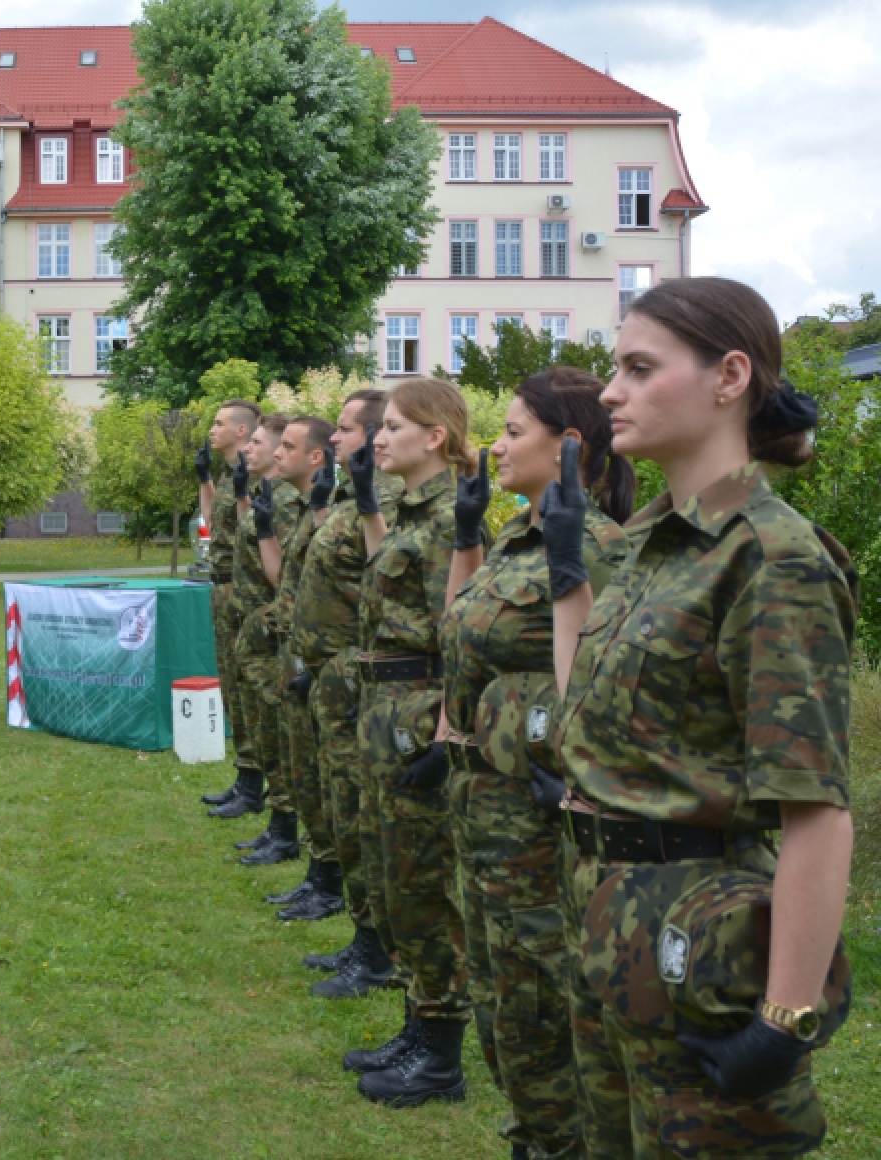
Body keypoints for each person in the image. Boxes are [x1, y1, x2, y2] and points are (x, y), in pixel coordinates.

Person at [548, 278, 855, 1156]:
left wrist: (784, 1015)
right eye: (615, 369)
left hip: (702, 953)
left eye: (639, 369)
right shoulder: (652, 544)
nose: (611, 394)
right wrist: (572, 573)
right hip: (611, 937)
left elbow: (817, 807)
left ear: (729, 376)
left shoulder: (769, 557)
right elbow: (585, 725)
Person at [439, 369, 631, 1158]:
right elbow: (455, 631)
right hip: (488, 814)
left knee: (546, 1009)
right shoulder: (518, 537)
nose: (496, 444)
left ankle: (559, 1143)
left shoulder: (596, 548)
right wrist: (466, 536)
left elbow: (602, 687)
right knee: (500, 1001)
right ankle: (534, 1137)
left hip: (543, 827)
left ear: (569, 445)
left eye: (515, 431)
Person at [344, 377, 479, 1108]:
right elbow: (381, 585)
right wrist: (370, 505)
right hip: (386, 712)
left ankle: (440, 1054)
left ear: (434, 436)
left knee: (425, 893)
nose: (379, 438)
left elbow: (463, 637)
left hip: (419, 714)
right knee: (398, 887)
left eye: (393, 427)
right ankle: (418, 1027)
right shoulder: (410, 514)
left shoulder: (452, 521)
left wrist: (449, 732)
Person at [289, 390, 406, 997]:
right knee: (343, 810)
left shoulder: (384, 504)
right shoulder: (346, 498)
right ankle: (365, 940)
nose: (334, 439)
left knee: (361, 819)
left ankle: (378, 950)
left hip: (358, 677)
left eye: (343, 429)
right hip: (330, 673)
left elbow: (385, 594)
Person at [256, 415, 341, 919]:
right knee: (301, 772)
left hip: (329, 664)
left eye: (287, 445)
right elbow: (285, 580)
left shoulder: (338, 510)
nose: (273, 454)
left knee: (321, 780)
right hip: (294, 650)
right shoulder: (310, 509)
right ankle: (319, 874)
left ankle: (329, 884)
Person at [224, 415, 304, 864]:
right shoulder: (267, 496)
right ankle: (276, 822)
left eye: (260, 442)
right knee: (261, 728)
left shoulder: (289, 502)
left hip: (272, 631)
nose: (252, 450)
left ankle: (285, 828)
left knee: (278, 736)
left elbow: (284, 577)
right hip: (254, 626)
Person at [196, 400, 264, 814]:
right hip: (220, 585)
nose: (212, 429)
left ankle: (255, 783)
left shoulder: (256, 475)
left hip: (241, 588)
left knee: (245, 685)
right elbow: (213, 520)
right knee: (230, 686)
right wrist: (205, 478)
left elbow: (252, 531)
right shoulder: (229, 475)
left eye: (220, 423)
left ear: (241, 431)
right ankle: (245, 777)